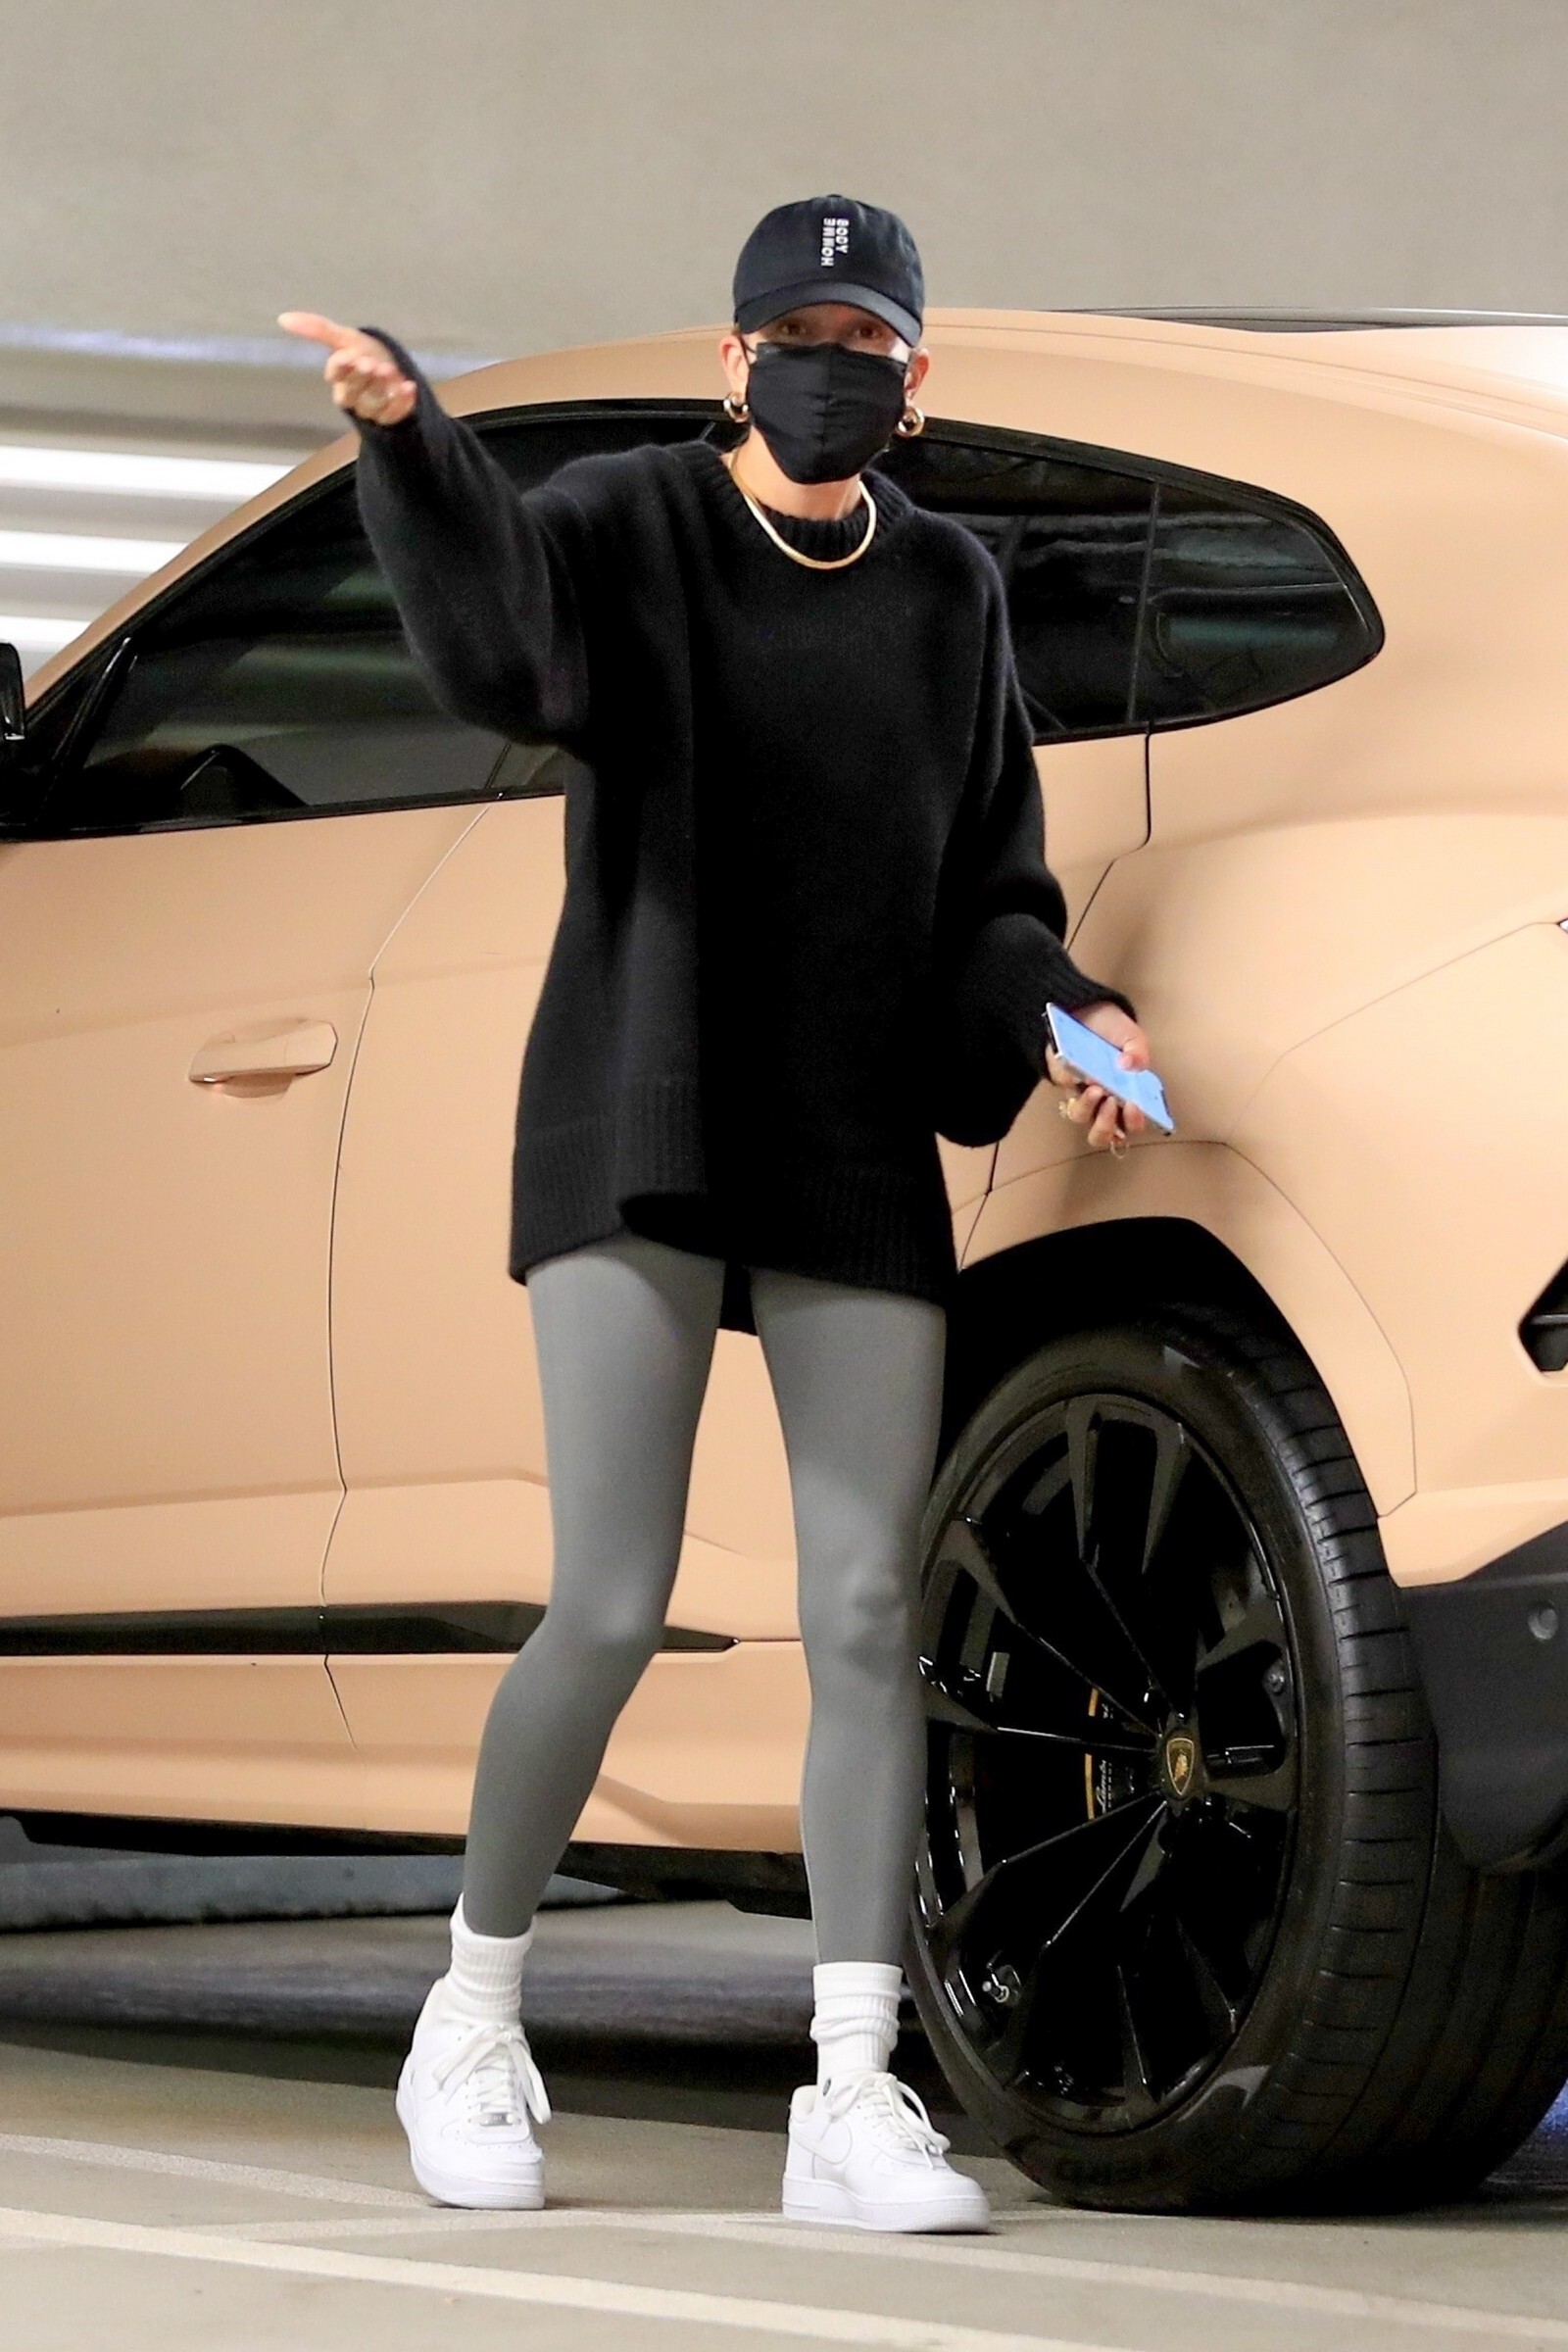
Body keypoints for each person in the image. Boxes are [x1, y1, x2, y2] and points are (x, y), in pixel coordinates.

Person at [278, 190, 1152, 2235]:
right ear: (734, 354)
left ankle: (849, 2087)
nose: (831, 370)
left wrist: (1072, 1017)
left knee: (865, 1612)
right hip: (641, 1099)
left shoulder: (945, 590)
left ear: (914, 378)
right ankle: (470, 2016)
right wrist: (412, 444)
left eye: (867, 341)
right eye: (798, 336)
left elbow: (988, 890)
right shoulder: (632, 521)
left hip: (847, 1131)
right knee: (608, 1597)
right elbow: (505, 648)